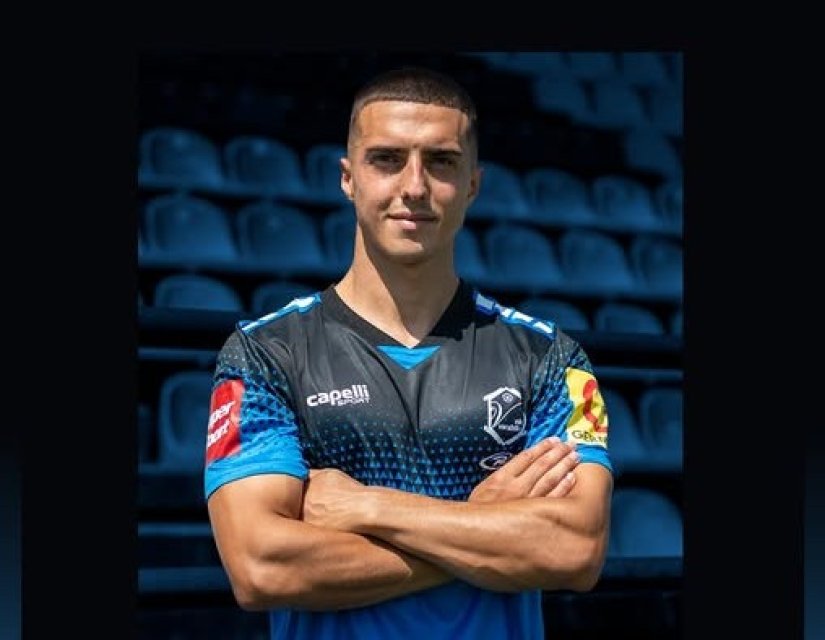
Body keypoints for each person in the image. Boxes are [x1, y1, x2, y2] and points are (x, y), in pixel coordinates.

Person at [204, 65, 613, 640]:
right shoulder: (262, 355)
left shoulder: (552, 358)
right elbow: (261, 567)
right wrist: (482, 524)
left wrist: (370, 508)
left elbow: (576, 550)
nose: (414, 186)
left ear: (473, 184)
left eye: (441, 161)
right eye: (387, 159)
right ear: (348, 178)